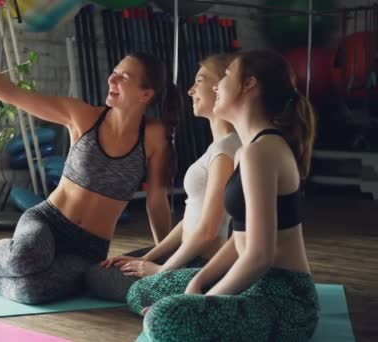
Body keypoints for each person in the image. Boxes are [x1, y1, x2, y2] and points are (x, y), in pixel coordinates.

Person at [0, 24, 178, 304]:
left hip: (87, 248)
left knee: (32, 291)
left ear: (146, 94)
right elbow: (12, 94)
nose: (112, 78)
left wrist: (163, 258)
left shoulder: (154, 137)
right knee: (25, 256)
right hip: (48, 221)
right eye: (114, 71)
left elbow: (157, 201)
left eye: (124, 77)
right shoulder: (82, 116)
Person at [128, 49, 319, 341]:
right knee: (142, 292)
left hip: (284, 299)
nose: (217, 86)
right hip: (254, 282)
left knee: (164, 320)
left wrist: (201, 302)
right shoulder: (247, 150)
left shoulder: (262, 151)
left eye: (226, 76)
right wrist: (199, 281)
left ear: (249, 84)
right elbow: (239, 240)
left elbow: (259, 255)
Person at [85, 53, 241, 302]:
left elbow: (209, 232)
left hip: (199, 262)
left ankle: (186, 293)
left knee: (96, 278)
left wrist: (160, 270)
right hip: (188, 254)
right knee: (104, 269)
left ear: (221, 87)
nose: (190, 91)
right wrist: (147, 259)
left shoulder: (225, 152)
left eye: (199, 80)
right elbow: (192, 218)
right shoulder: (219, 148)